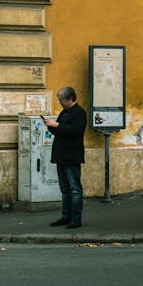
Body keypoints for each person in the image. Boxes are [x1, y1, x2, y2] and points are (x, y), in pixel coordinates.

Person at [44, 86, 87, 230]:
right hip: (61, 155)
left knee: (74, 188)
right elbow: (61, 131)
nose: (59, 102)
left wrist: (57, 124)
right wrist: (50, 126)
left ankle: (76, 218)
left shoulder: (80, 113)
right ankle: (65, 216)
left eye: (61, 100)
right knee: (64, 189)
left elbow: (75, 131)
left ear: (70, 99)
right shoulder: (65, 112)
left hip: (72, 155)